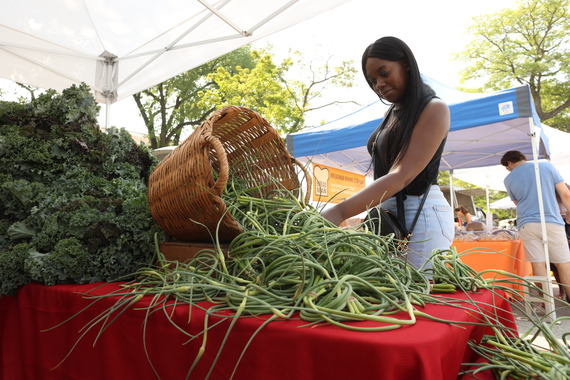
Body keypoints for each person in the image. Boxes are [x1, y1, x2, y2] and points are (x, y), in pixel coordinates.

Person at [321, 36, 454, 271]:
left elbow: (402, 174)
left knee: (412, 298)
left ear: (406, 64)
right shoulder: (392, 113)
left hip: (420, 215)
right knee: (388, 294)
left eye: (384, 73)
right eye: (372, 80)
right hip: (388, 215)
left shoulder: (434, 108)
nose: (378, 85)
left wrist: (339, 211)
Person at [501, 150, 570, 301]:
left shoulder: (508, 179)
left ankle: (546, 304)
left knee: (539, 264)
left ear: (509, 163)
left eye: (507, 167)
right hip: (551, 220)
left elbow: (518, 203)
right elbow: (565, 193)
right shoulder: (546, 167)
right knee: (563, 263)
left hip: (527, 223)